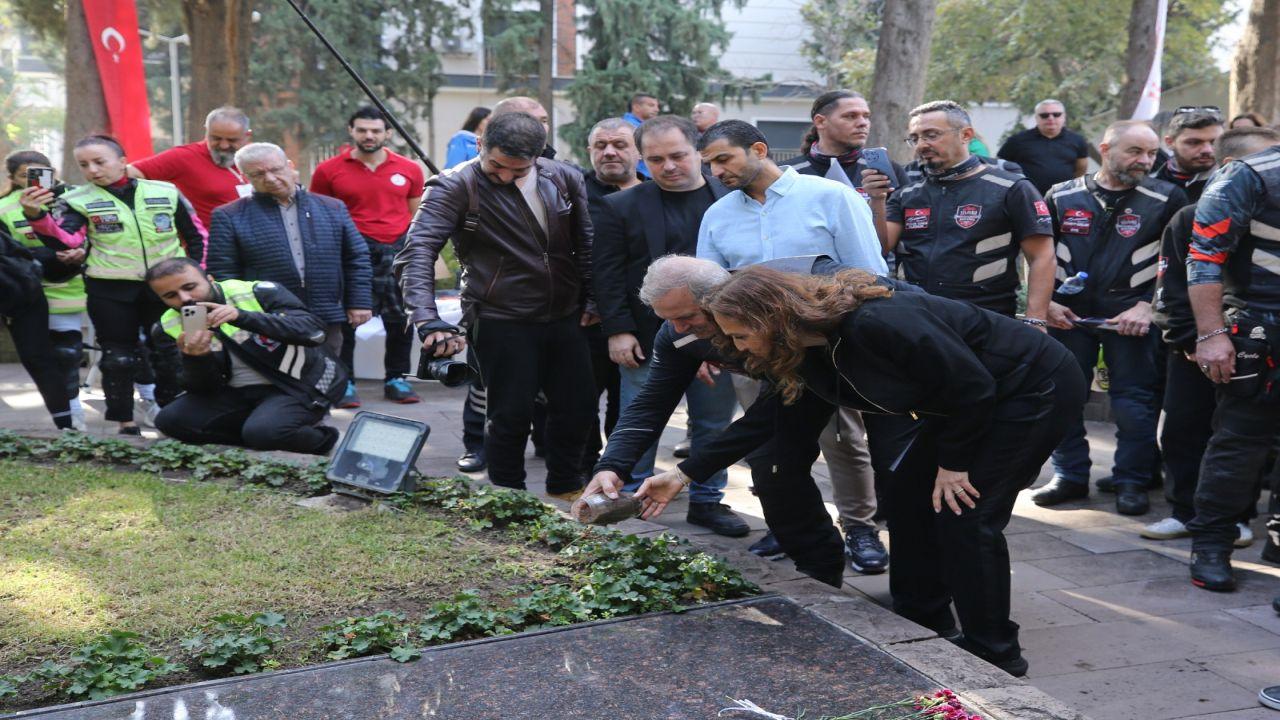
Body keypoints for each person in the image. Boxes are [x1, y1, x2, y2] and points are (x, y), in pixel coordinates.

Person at [585, 265, 1084, 676]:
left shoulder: (876, 323)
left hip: (1028, 389)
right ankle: (921, 616)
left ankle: (993, 651)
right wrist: (680, 473)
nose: (736, 351)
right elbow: (769, 416)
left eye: (738, 337)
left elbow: (972, 385)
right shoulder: (795, 346)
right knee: (909, 499)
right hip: (961, 403)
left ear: (765, 317)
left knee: (965, 513)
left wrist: (954, 465)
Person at [584, 254, 852, 586]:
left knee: (897, 472)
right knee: (772, 466)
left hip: (864, 371)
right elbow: (651, 403)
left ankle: (920, 601)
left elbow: (766, 417)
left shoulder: (774, 312)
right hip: (788, 387)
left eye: (687, 317)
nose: (679, 328)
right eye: (669, 319)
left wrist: (685, 473)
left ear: (720, 297)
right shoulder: (677, 334)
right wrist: (611, 465)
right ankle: (819, 569)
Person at [696, 119, 890, 572]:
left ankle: (860, 528)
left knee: (842, 440)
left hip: (829, 346)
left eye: (724, 159)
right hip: (757, 354)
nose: (717, 171)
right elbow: (711, 289)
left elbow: (867, 275)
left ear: (759, 149)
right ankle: (786, 526)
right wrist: (716, 348)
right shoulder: (718, 215)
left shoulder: (831, 197)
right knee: (767, 445)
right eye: (710, 165)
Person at [394, 111, 597, 499]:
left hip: (566, 313)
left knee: (579, 409)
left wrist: (593, 299)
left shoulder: (565, 176)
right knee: (509, 414)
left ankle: (566, 487)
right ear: (479, 144)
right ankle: (509, 496)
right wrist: (427, 319)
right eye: (496, 166)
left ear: (538, 156)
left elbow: (585, 243)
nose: (504, 176)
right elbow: (416, 252)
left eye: (517, 170)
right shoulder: (454, 186)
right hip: (500, 315)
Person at [593, 115, 746, 536]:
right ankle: (627, 495)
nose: (669, 166)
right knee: (641, 416)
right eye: (656, 159)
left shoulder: (733, 200)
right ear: (642, 160)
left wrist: (710, 340)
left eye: (677, 155)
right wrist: (618, 330)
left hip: (723, 338)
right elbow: (605, 273)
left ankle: (708, 500)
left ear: (698, 151)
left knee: (714, 423)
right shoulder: (621, 205)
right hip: (646, 337)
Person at [1033, 121, 1189, 514]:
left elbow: (1179, 263)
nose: (1145, 161)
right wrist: (1045, 303)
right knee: (1063, 398)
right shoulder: (1062, 194)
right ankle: (1069, 476)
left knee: (1134, 406)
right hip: (1069, 317)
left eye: (1152, 153)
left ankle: (1132, 481)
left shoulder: (1167, 197)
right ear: (1105, 148)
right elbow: (1038, 254)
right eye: (1135, 151)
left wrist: (1148, 307)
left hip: (1131, 319)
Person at [23, 134, 205, 435]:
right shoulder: (77, 199)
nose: (92, 170)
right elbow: (67, 239)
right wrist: (37, 216)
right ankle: (125, 422)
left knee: (173, 351)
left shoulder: (166, 191)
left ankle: (174, 418)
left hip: (170, 288)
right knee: (119, 357)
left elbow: (198, 236)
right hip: (109, 289)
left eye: (99, 161)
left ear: (122, 161)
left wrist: (199, 274)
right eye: (84, 165)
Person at [1149, 126, 1280, 544]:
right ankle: (1187, 512)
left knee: (1245, 441)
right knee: (1187, 431)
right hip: (1200, 346)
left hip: (1251, 346)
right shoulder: (1189, 217)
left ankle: (1241, 518)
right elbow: (1171, 288)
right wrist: (1197, 339)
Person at [1184, 129, 1280, 591]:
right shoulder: (1248, 174)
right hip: (1260, 334)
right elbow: (1204, 255)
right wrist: (1211, 333)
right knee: (1238, 446)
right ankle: (1210, 546)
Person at [147, 258, 344, 454]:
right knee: (169, 421)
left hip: (298, 383)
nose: (185, 299)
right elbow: (200, 388)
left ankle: (325, 439)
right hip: (235, 391)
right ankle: (260, 434)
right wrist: (197, 359)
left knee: (265, 432)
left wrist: (241, 317)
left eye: (190, 287)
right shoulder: (166, 327)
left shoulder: (258, 291)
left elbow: (313, 332)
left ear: (210, 279)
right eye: (170, 295)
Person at [881, 100, 1056, 320]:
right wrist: (878, 199)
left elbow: (1042, 257)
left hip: (985, 317)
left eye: (931, 135)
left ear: (966, 135)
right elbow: (879, 247)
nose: (921, 145)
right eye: (914, 138)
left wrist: (1035, 319)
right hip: (918, 315)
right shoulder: (907, 194)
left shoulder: (1011, 188)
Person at [206, 142, 373, 371]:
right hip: (268, 317)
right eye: (258, 174)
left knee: (328, 373)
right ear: (246, 177)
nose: (271, 178)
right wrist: (243, 315)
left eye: (275, 169)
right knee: (280, 377)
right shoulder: (229, 216)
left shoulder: (332, 207)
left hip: (326, 309)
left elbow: (357, 258)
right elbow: (224, 272)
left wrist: (359, 301)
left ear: (290, 166)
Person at [310, 106, 426, 408]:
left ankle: (396, 378)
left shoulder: (410, 169)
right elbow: (321, 216)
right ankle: (344, 381)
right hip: (351, 252)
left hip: (398, 252)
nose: (369, 135)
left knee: (401, 319)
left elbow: (418, 216)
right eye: (362, 129)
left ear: (387, 133)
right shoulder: (328, 171)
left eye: (376, 130)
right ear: (351, 131)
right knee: (347, 319)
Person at [575, 117, 644, 474]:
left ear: (638, 150)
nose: (609, 152)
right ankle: (586, 467)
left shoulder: (653, 194)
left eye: (619, 144)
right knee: (581, 399)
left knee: (629, 402)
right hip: (584, 321)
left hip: (639, 320)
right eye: (600, 146)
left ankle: (621, 467)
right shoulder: (572, 193)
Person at [1, 151, 87, 429]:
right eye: (25, 175)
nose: (34, 180)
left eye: (40, 172)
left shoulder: (77, 198)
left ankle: (137, 410)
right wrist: (48, 257)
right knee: (59, 357)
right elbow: (9, 254)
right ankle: (71, 421)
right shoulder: (4, 208)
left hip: (91, 287)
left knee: (121, 355)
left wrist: (82, 251)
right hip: (35, 293)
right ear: (12, 178)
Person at [128, 106, 253, 230]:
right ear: (206, 131)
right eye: (216, 138)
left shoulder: (256, 156)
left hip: (253, 241)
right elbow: (129, 172)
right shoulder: (183, 156)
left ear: (247, 136)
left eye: (232, 140)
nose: (224, 145)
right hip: (212, 244)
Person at [783, 90, 909, 201]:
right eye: (851, 116)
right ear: (820, 121)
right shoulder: (787, 173)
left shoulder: (886, 172)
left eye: (866, 116)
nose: (862, 123)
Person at [997, 99, 1090, 195]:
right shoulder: (1017, 140)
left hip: (1064, 197)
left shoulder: (1078, 140)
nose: (1050, 118)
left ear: (1064, 117)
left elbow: (1081, 170)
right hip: (1026, 198)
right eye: (1044, 115)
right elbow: (1001, 165)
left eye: (1056, 114)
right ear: (1036, 118)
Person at [1153, 111, 1224, 203]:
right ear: (1170, 142)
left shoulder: (1235, 185)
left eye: (1215, 142)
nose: (1207, 150)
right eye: (1194, 142)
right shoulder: (1146, 184)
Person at [623, 93, 661, 178]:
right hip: (638, 177)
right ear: (636, 107)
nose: (657, 109)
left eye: (657, 106)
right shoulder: (628, 128)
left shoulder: (646, 127)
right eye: (651, 105)